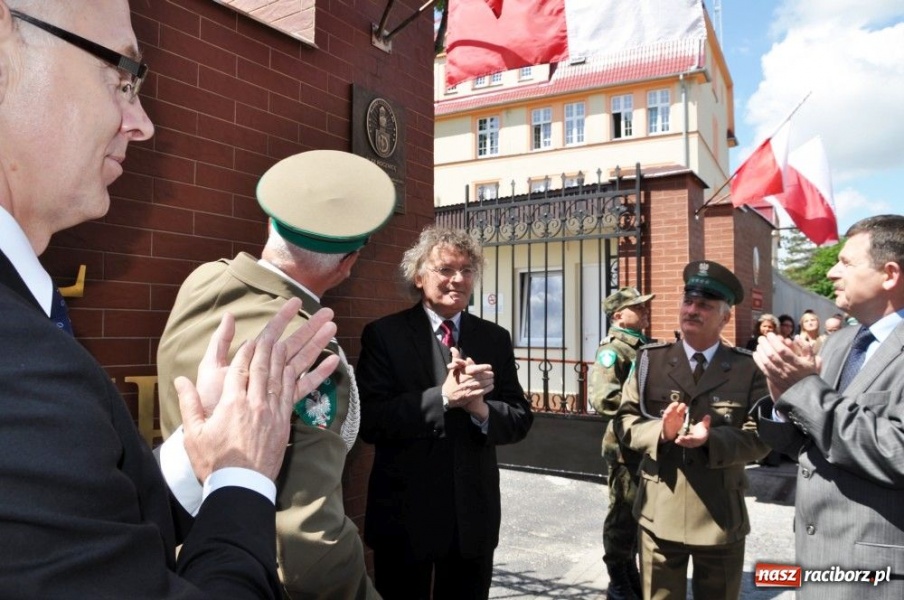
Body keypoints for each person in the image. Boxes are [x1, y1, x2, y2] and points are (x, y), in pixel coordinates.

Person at [0, 2, 340, 596]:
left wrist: (199, 457)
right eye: (122, 77)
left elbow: (89, 537)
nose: (142, 123)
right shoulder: (18, 369)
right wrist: (243, 473)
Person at [157, 151, 395, 599]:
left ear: (271, 224)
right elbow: (306, 538)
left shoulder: (205, 280)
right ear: (349, 263)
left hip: (183, 548)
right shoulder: (305, 351)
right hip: (251, 571)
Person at [356, 226, 534, 600]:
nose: (458, 279)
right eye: (446, 270)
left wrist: (479, 408)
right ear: (419, 276)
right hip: (406, 517)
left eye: (467, 270)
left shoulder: (494, 338)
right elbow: (370, 421)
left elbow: (519, 417)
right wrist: (442, 399)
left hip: (472, 519)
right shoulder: (384, 336)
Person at [753, 214, 904, 600]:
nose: (834, 272)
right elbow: (806, 443)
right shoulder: (841, 342)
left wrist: (803, 389)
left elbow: (898, 453)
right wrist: (780, 397)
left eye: (847, 263)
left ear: (889, 274)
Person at [615, 259, 771, 600]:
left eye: (705, 304)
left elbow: (762, 438)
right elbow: (625, 421)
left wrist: (711, 439)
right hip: (660, 510)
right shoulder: (650, 361)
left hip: (719, 515)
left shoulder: (748, 369)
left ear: (726, 316)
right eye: (688, 301)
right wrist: (662, 432)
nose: (692, 309)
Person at [588, 287, 655, 600]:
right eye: (637, 308)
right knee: (623, 515)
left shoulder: (643, 345)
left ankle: (633, 574)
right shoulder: (614, 349)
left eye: (644, 307)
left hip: (647, 445)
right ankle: (618, 579)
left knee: (642, 514)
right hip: (626, 446)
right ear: (618, 315)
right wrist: (646, 415)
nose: (644, 312)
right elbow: (604, 399)